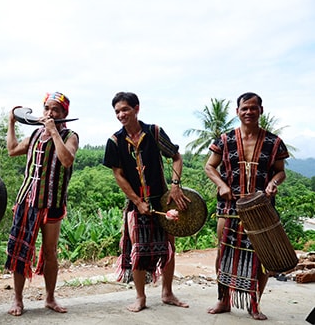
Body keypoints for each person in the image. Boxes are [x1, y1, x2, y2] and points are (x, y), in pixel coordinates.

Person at [204, 92, 289, 320]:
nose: (249, 112)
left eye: (253, 108)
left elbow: (280, 171)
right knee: (224, 252)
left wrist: (273, 182)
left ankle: (254, 304)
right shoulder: (224, 139)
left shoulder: (274, 142)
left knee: (262, 255)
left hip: (261, 208)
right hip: (229, 206)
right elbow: (210, 167)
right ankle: (223, 300)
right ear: (237, 112)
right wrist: (221, 185)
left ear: (261, 110)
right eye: (245, 108)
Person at [103, 91, 190, 312]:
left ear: (136, 108)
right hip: (136, 204)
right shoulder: (114, 141)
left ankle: (167, 292)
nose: (121, 114)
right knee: (138, 250)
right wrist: (137, 201)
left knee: (168, 247)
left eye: (125, 109)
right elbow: (119, 174)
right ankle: (140, 297)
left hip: (162, 200)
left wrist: (175, 187)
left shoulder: (154, 132)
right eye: (117, 111)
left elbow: (176, 157)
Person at [5, 92, 79, 316]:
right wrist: (11, 122)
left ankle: (49, 297)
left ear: (64, 114)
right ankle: (17, 300)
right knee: (20, 251)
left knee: (50, 251)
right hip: (27, 200)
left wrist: (54, 131)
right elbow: (12, 150)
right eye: (47, 108)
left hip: (52, 202)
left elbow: (67, 160)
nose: (50, 113)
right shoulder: (35, 134)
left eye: (56, 110)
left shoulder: (70, 135)